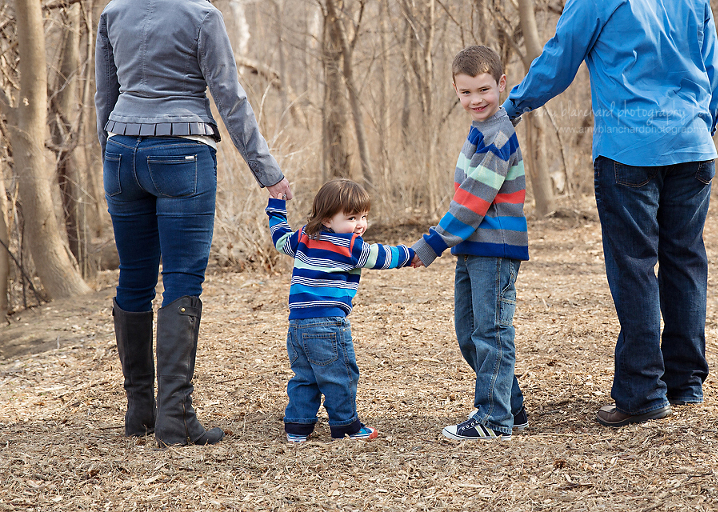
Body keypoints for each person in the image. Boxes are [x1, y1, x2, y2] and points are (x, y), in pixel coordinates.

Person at [501, 0, 718, 427]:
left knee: (635, 266)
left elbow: (559, 60)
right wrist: (699, 127)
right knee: (686, 260)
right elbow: (714, 73)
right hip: (694, 146)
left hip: (630, 151)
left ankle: (642, 393)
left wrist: (510, 109)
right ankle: (685, 383)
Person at [95, 0, 292, 447]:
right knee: (182, 280)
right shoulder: (202, 16)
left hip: (121, 151)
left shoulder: (113, 11)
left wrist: (109, 155)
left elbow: (104, 95)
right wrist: (268, 173)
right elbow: (230, 97)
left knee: (134, 278)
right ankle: (175, 415)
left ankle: (140, 409)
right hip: (182, 153)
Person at [411, 46, 529, 440]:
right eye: (465, 93)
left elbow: (474, 198)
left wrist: (433, 242)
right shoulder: (481, 129)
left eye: (483, 90)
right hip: (474, 247)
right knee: (469, 331)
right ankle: (510, 405)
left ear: (501, 84)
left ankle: (494, 419)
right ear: (455, 90)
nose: (475, 100)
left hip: (494, 247)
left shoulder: (497, 133)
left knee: (491, 332)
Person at [266, 179, 414, 443]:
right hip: (328, 324)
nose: (360, 224)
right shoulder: (350, 246)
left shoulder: (303, 237)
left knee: (305, 377)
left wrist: (277, 206)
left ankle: (297, 428)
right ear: (326, 219)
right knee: (339, 376)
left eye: (363, 216)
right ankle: (346, 425)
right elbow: (383, 256)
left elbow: (279, 239)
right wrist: (412, 254)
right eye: (351, 217)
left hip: (297, 325)